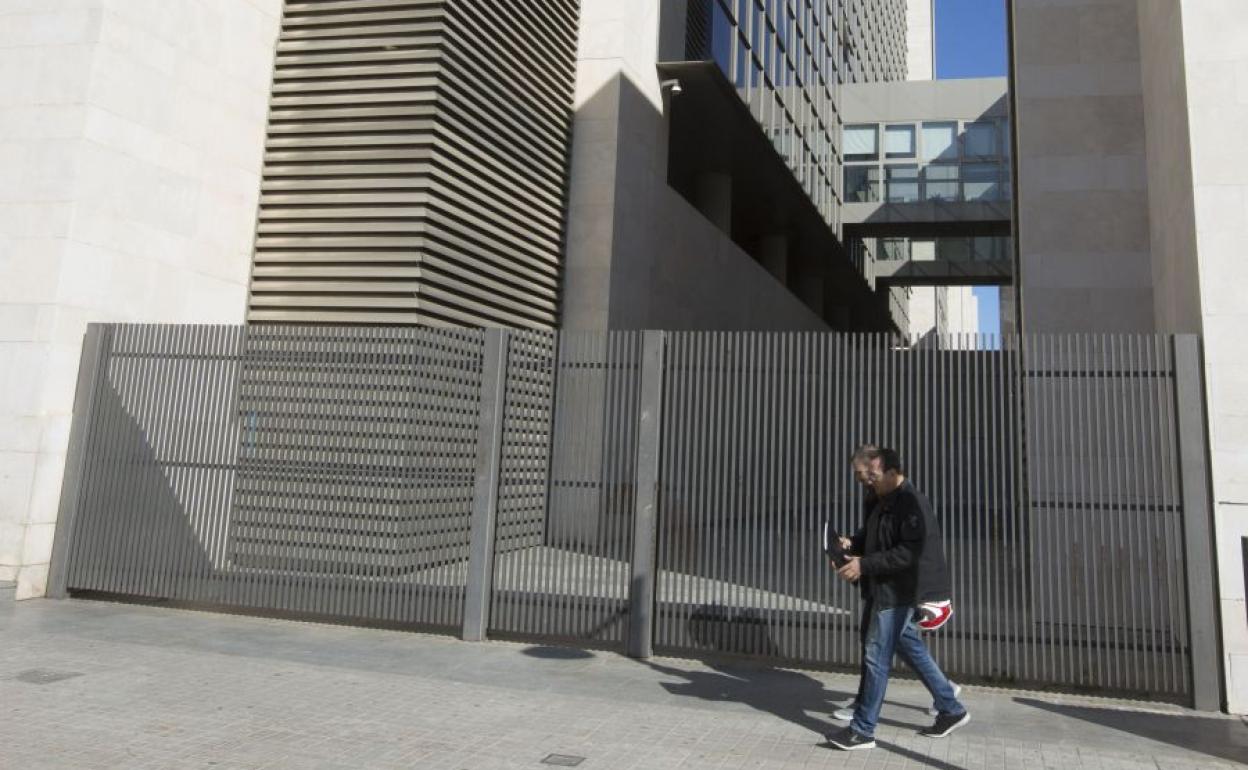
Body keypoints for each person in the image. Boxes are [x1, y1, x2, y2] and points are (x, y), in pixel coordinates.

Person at [826, 448, 969, 751]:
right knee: (910, 647)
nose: (868, 483)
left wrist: (863, 565)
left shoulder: (911, 503)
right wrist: (850, 545)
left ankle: (863, 730)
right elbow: (875, 536)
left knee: (876, 656)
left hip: (899, 591)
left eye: (872, 477)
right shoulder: (884, 499)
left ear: (892, 473)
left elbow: (907, 552)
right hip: (887, 588)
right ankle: (951, 707)